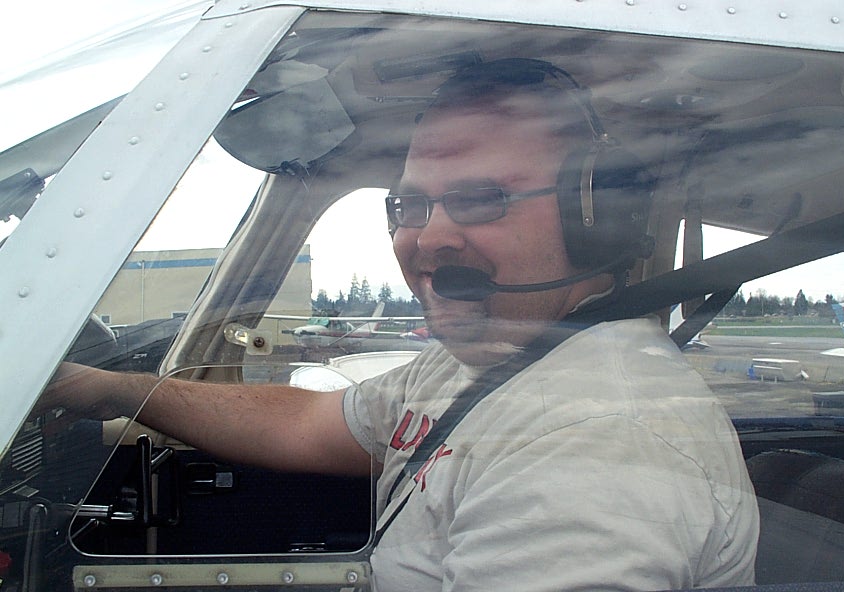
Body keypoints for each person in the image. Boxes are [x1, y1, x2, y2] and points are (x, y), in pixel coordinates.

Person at [45, 59, 758, 591]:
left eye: (480, 199)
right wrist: (118, 389)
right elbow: (306, 424)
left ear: (594, 222)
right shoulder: (493, 359)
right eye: (408, 208)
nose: (428, 239)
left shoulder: (594, 443)